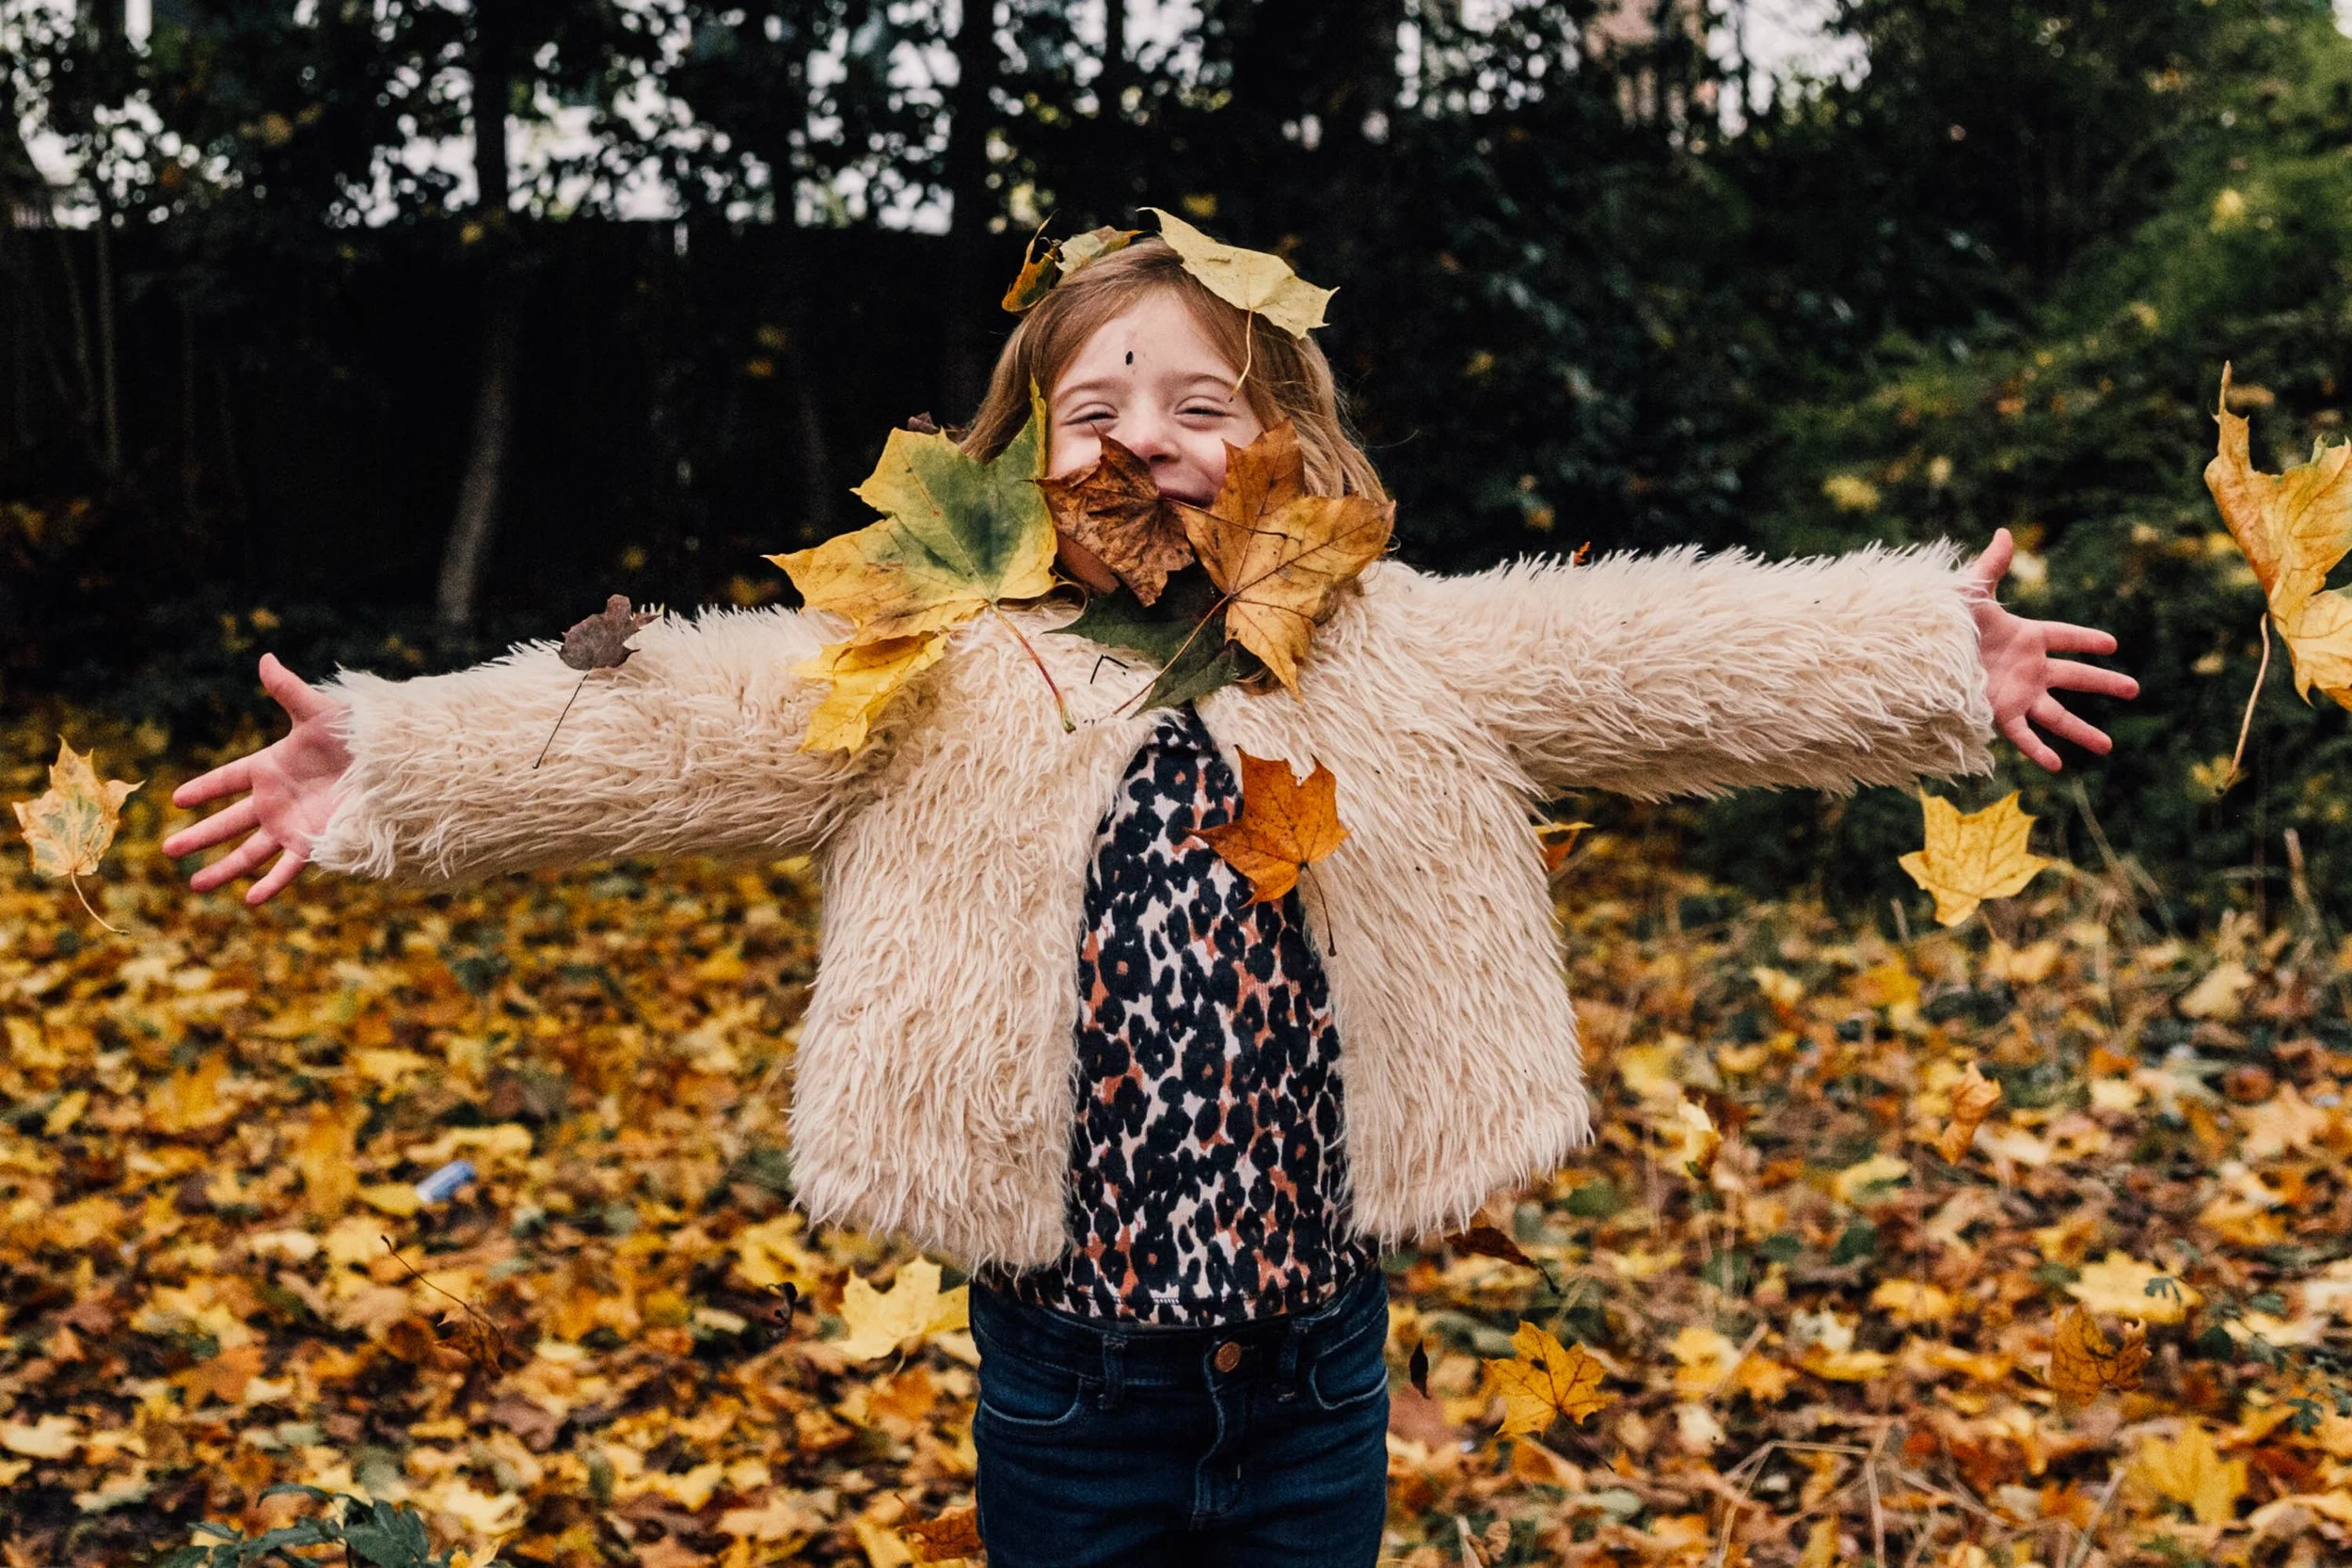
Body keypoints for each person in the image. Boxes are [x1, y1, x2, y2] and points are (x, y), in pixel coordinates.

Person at [161, 230, 2137, 1567]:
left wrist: (1913, 656)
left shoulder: (1397, 651)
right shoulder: (932, 666)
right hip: (1065, 1371)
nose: (1144, 443)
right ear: (1021, 462)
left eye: (1199, 407)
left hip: (1316, 1362)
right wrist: (392, 763)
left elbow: (1645, 650)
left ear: (1285, 446)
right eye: (1093, 413)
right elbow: (667, 718)